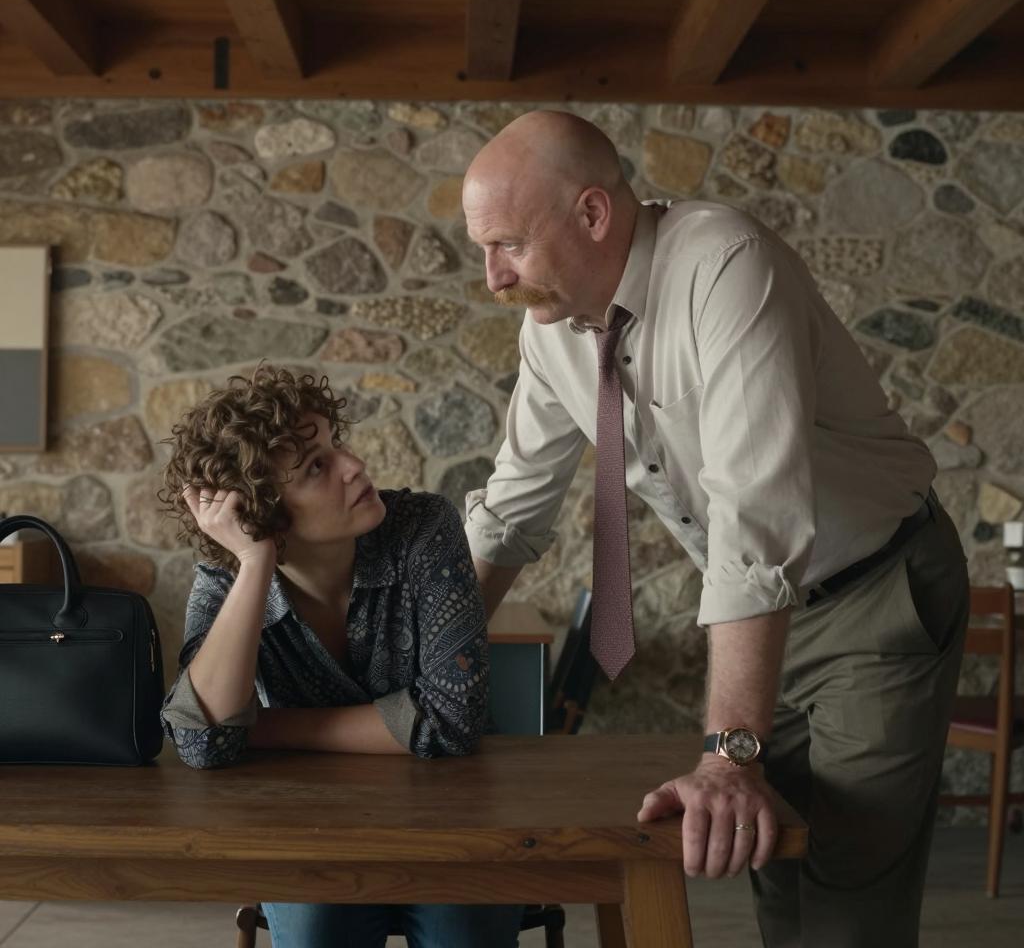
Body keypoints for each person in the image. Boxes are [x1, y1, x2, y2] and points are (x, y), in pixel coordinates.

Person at [461, 110, 968, 947]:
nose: (494, 278)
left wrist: (727, 756)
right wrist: (428, 667)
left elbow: (755, 516)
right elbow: (511, 510)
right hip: (771, 611)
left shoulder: (724, 263)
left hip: (876, 592)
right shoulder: (552, 330)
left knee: (849, 902)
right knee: (775, 870)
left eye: (508, 244)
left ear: (592, 213)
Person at [159, 364, 523, 948]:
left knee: (461, 931)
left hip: (453, 808)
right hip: (311, 822)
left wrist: (264, 728)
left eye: (337, 445)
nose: (354, 466)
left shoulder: (423, 527)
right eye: (316, 467)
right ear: (262, 513)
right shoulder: (227, 579)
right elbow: (202, 743)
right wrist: (255, 563)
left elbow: (451, 722)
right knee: (319, 928)